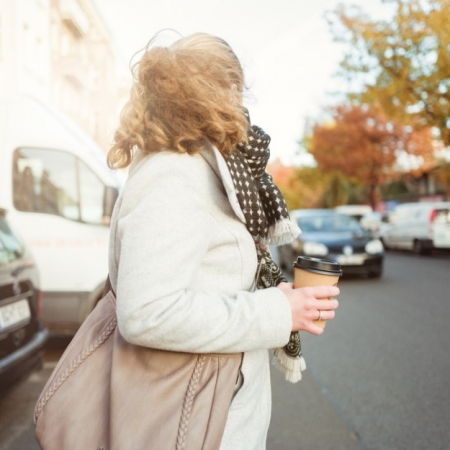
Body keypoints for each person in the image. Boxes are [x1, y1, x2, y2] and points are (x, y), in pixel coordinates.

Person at [106, 31, 339, 450]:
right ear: (215, 91)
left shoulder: (202, 166)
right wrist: (275, 311)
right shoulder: (174, 174)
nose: (241, 104)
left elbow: (208, 278)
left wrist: (281, 301)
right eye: (236, 88)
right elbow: (147, 311)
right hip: (191, 423)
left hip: (206, 412)